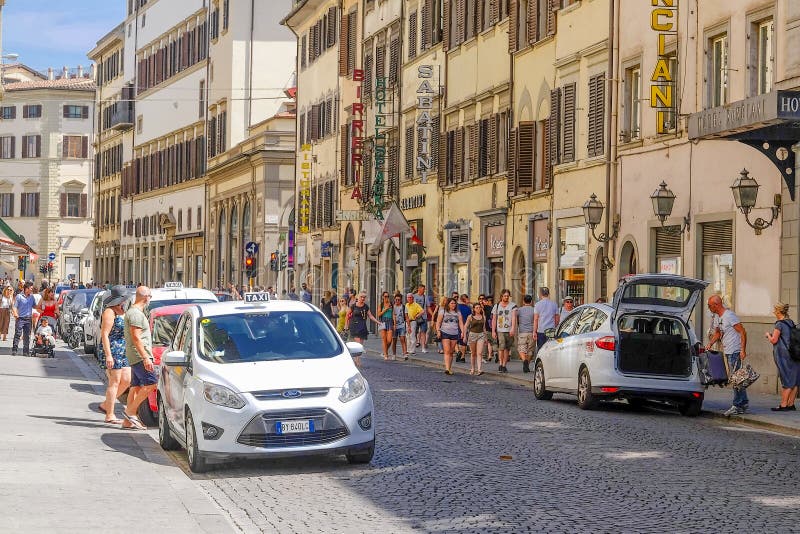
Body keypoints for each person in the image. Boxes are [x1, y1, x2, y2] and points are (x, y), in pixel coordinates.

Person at [705, 295, 748, 416]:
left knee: (735, 378)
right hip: (727, 351)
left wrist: (742, 350)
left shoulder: (730, 315)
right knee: (736, 378)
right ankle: (743, 402)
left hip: (735, 351)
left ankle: (738, 404)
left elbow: (742, 332)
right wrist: (710, 343)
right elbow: (718, 333)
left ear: (716, 305)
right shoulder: (718, 317)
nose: (708, 308)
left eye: (709, 305)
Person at [123, 286, 157, 430]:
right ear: (145, 297)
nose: (150, 299)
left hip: (135, 355)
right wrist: (145, 357)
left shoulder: (134, 312)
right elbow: (136, 338)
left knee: (135, 386)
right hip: (139, 355)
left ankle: (127, 421)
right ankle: (131, 412)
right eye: (150, 296)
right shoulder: (136, 314)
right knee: (151, 384)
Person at [98, 286, 131, 425]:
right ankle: (109, 414)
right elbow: (104, 334)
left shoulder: (122, 310)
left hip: (123, 349)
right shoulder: (109, 312)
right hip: (113, 349)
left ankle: (106, 404)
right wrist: (108, 355)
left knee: (127, 380)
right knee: (115, 382)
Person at [766, 302, 800, 411]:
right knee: (795, 380)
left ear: (778, 311)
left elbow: (774, 340)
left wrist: (768, 335)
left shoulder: (779, 324)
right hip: (794, 354)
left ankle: (783, 405)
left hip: (784, 356)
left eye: (774, 310)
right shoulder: (790, 322)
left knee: (786, 380)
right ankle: (791, 404)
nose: (773, 312)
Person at [346, 292, 380, 366]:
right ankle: (358, 361)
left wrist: (377, 322)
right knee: (358, 343)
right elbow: (347, 314)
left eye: (364, 297)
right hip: (354, 325)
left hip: (362, 326)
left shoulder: (366, 307)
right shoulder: (353, 306)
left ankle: (356, 359)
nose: (363, 298)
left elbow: (370, 316)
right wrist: (346, 325)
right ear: (358, 297)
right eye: (361, 297)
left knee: (360, 345)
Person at [437, 298, 464, 375]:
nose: (453, 305)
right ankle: (447, 368)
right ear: (448, 304)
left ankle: (449, 368)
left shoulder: (458, 313)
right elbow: (438, 322)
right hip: (445, 332)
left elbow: (461, 323)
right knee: (447, 350)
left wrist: (462, 332)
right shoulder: (443, 311)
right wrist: (438, 331)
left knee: (451, 352)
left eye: (454, 303)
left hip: (454, 333)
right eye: (452, 303)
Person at [492, 289, 517, 373]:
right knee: (501, 347)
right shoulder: (497, 306)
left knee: (507, 348)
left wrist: (513, 328)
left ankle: (504, 365)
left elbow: (514, 317)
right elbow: (494, 319)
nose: (506, 297)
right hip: (500, 329)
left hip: (509, 330)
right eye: (504, 296)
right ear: (501, 296)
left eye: (507, 296)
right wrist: (493, 331)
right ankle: (500, 364)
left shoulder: (513, 306)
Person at [11, 281, 36, 356]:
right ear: (26, 288)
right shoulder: (19, 296)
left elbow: (34, 306)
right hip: (20, 318)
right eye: (31, 288)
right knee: (18, 334)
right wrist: (15, 313)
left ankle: (26, 351)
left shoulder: (32, 297)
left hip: (29, 319)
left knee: (27, 335)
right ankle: (14, 349)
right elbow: (15, 306)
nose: (32, 290)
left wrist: (42, 304)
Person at [463, 303, 487, 376]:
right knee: (473, 353)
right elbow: (466, 326)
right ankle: (473, 368)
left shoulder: (483, 317)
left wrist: (485, 337)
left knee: (479, 353)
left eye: (479, 307)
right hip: (472, 335)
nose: (478, 309)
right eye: (476, 308)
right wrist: (464, 336)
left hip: (481, 335)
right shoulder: (470, 317)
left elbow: (484, 328)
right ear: (473, 309)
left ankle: (479, 369)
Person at [534, 287, 560, 353]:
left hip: (541, 330)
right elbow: (557, 319)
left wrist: (534, 331)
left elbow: (536, 319)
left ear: (540, 294)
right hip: (551, 330)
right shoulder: (554, 304)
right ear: (548, 294)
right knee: (550, 349)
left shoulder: (537, 305)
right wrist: (555, 327)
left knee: (541, 350)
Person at [516, 295, 536, 373]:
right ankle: (527, 363)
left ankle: (524, 360)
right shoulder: (534, 310)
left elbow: (516, 318)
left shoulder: (519, 310)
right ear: (531, 302)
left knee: (521, 348)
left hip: (522, 332)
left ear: (523, 301)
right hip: (531, 332)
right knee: (530, 350)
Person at [377, 292, 395, 360]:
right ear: (382, 297)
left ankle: (384, 351)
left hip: (390, 322)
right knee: (384, 339)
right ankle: (386, 355)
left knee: (389, 340)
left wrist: (394, 324)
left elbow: (393, 314)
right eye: (385, 296)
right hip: (383, 322)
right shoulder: (381, 305)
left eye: (387, 296)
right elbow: (379, 314)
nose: (386, 298)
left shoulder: (391, 305)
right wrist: (386, 309)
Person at [391, 294, 409, 359]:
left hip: (402, 325)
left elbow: (406, 317)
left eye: (399, 300)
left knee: (402, 339)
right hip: (394, 326)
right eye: (396, 300)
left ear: (401, 300)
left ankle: (405, 353)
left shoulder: (403, 307)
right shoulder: (392, 307)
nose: (397, 301)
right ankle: (394, 354)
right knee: (394, 340)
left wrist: (409, 326)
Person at [456, 294, 472, 363]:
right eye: (467, 299)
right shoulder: (468, 308)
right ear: (465, 299)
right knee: (463, 342)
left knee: (455, 341)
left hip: (456, 325)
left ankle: (458, 351)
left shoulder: (456, 307)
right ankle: (463, 357)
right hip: (465, 326)